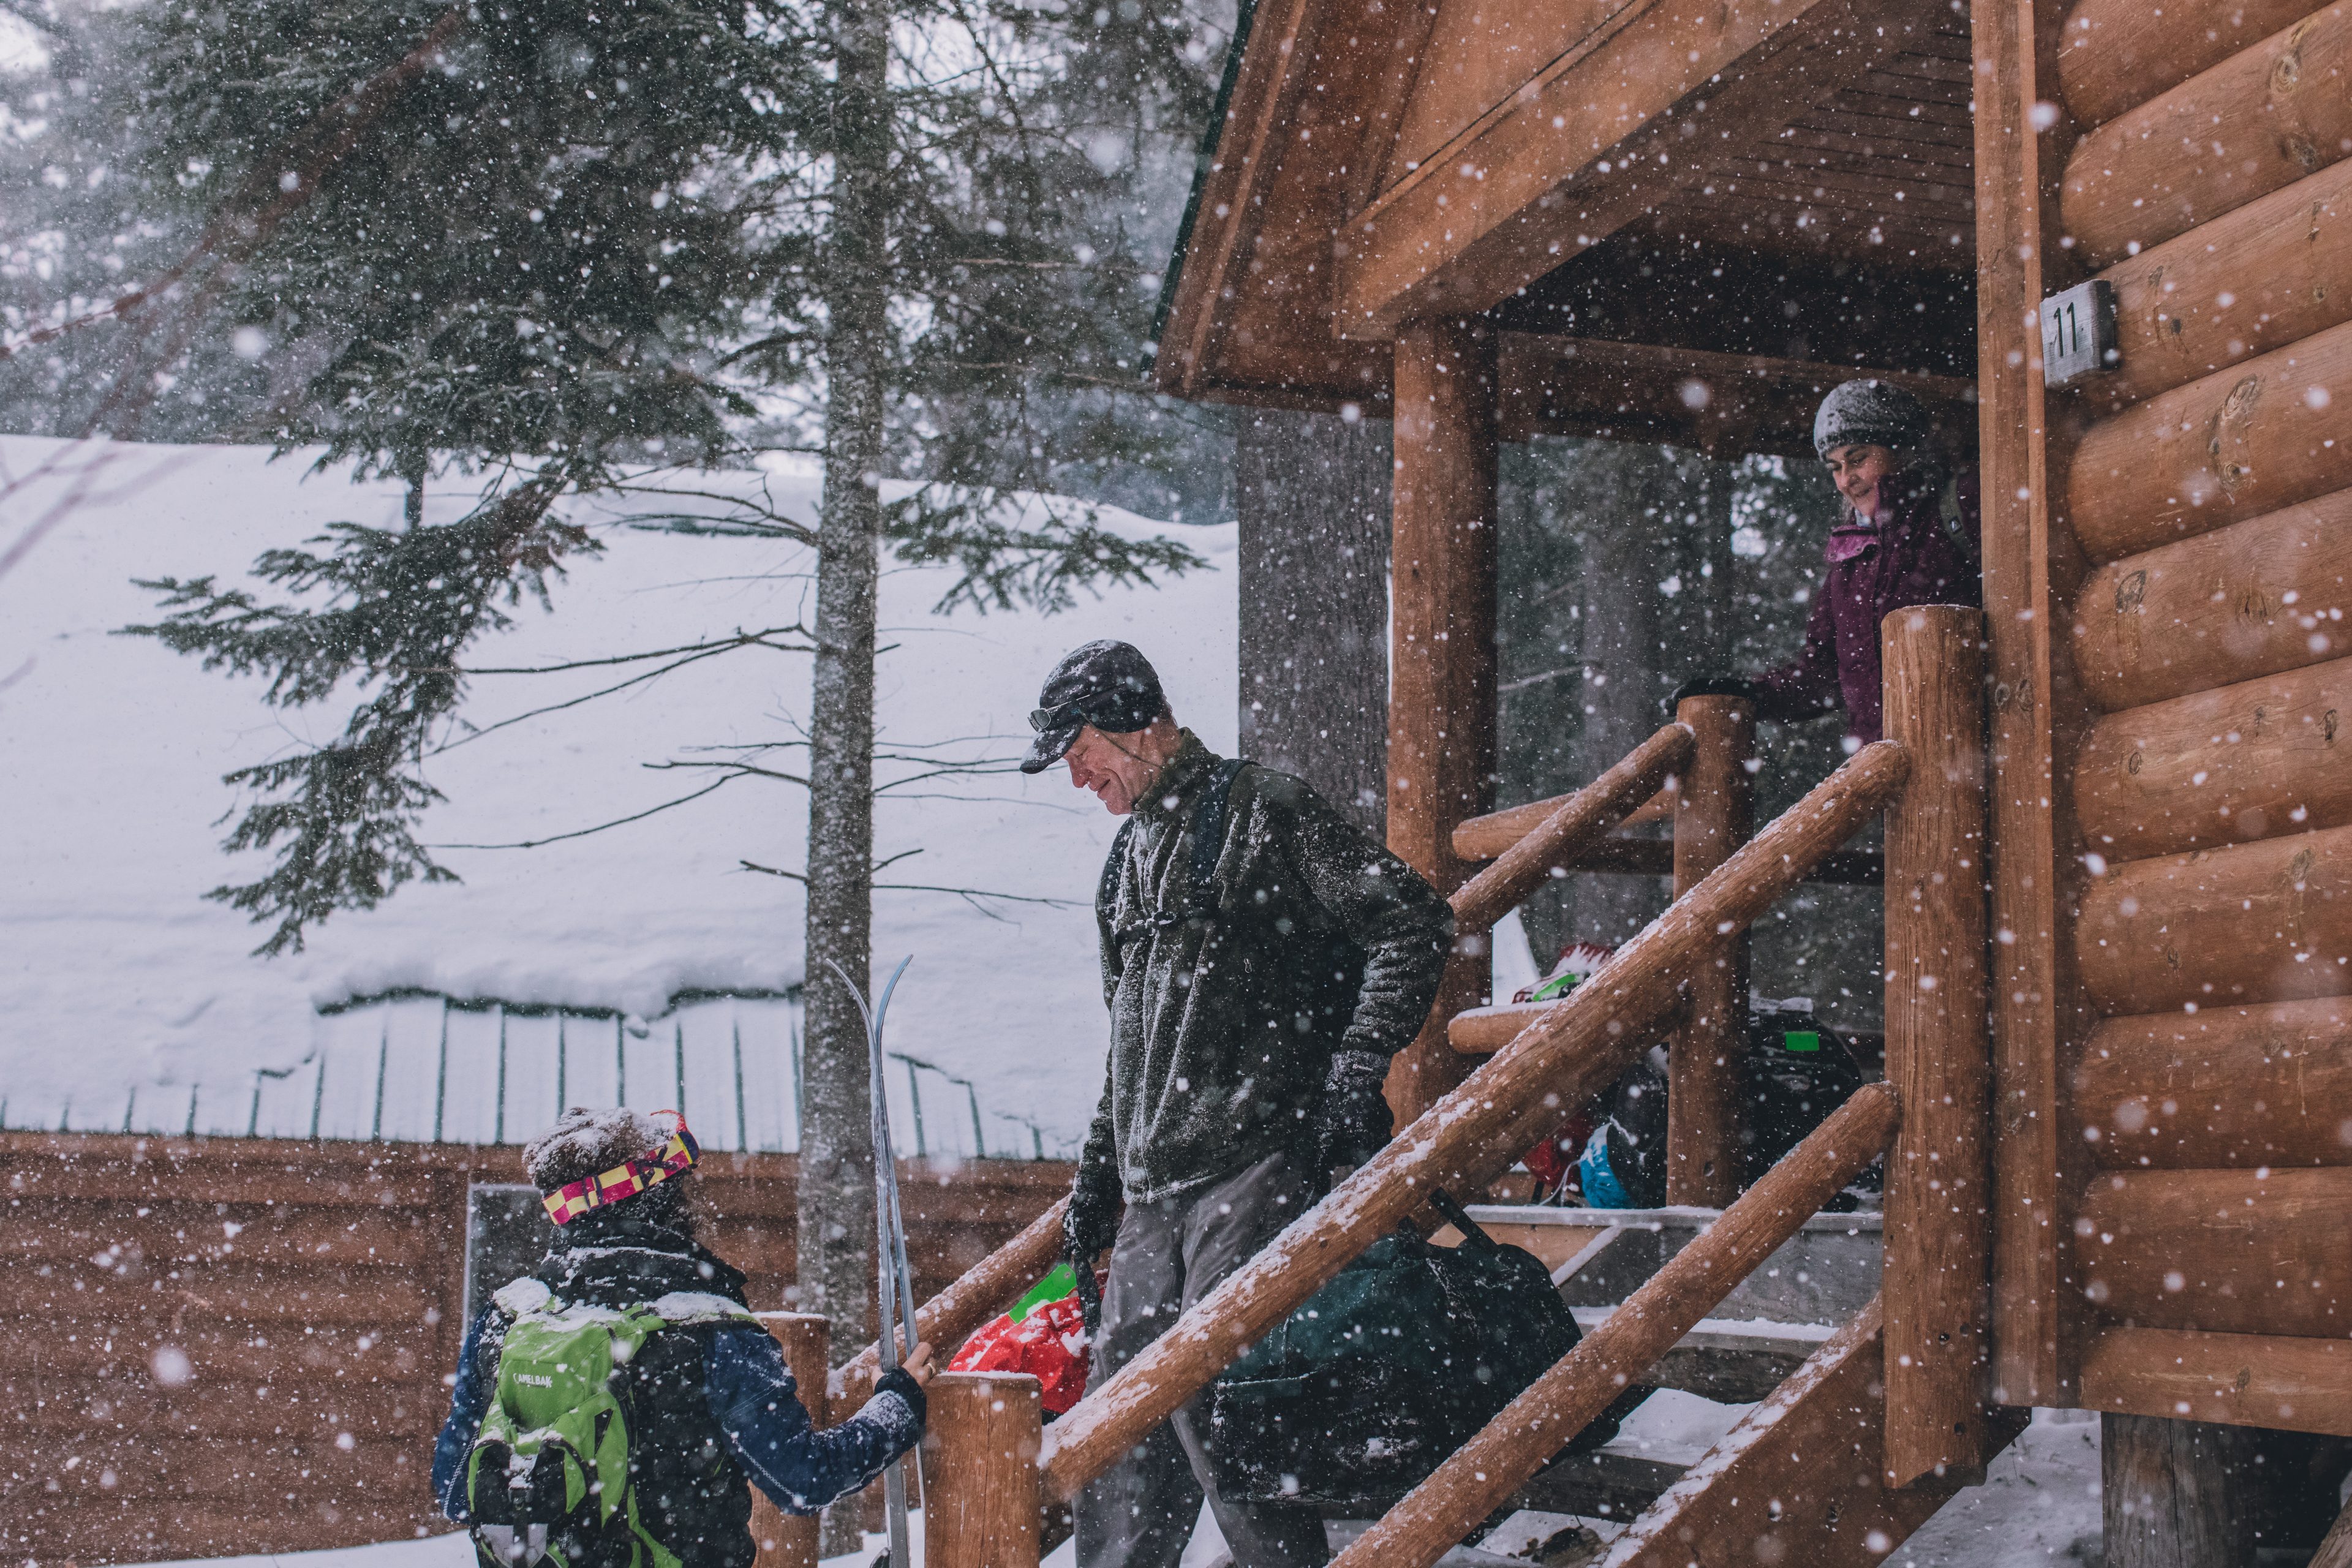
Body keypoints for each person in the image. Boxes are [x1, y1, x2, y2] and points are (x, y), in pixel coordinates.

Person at [1020, 639, 1453, 1568]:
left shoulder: (1265, 812)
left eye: (1079, 750)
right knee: (1120, 1432)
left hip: (1257, 1160)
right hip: (1151, 1194)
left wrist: (1355, 1066)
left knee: (1231, 1414)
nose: (1075, 778)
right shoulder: (1123, 865)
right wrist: (1100, 1175)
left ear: (1140, 723)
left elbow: (1411, 921)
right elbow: (1130, 1048)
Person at [431, 1106, 933, 1566]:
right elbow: (802, 1479)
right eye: (684, 1188)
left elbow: (456, 1489)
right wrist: (898, 1405)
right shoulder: (710, 1326)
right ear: (659, 1200)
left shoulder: (509, 1316)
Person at [1676, 378, 1980, 743]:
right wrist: (1748, 693)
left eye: (1858, 459)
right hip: (1884, 773)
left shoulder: (1961, 509)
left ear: (1901, 449)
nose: (1846, 480)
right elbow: (1824, 674)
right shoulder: (1850, 560)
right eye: (1835, 467)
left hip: (1967, 761)